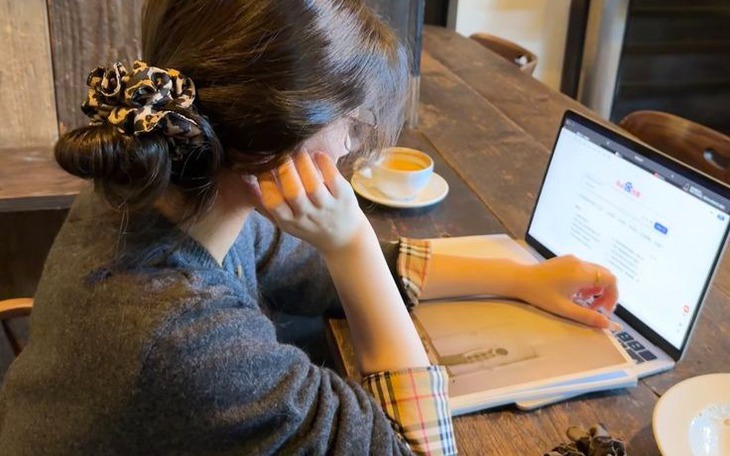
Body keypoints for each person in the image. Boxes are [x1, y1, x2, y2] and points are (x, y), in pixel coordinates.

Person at [0, 1, 618, 455]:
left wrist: (519, 278)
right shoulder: (186, 344)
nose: (349, 147)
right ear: (273, 139)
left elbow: (305, 271)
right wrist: (352, 244)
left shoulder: (165, 185)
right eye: (351, 124)